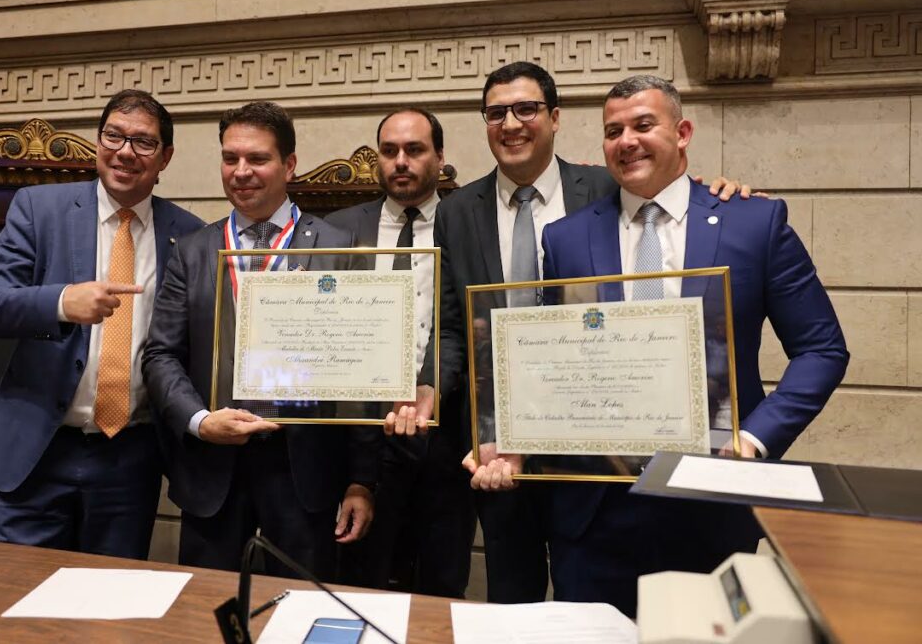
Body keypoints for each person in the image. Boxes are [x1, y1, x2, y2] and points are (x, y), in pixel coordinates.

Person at [476, 74, 848, 615]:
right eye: (613, 130)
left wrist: (753, 440)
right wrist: (510, 437)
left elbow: (822, 349)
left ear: (683, 132)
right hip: (593, 514)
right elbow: (552, 363)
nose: (626, 140)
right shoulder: (567, 238)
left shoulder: (754, 223)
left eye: (643, 125)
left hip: (710, 501)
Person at [389, 61, 752, 603]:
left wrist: (724, 190)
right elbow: (452, 326)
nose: (510, 123)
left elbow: (676, 198)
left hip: (596, 437)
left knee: (604, 587)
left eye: (526, 109)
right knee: (513, 589)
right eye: (495, 113)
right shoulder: (458, 210)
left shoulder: (609, 183)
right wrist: (429, 387)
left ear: (554, 118)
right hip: (497, 438)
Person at [142, 101, 379, 578]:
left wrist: (361, 481)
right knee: (206, 612)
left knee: (296, 615)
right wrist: (200, 420)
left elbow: (363, 372)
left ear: (289, 165)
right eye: (230, 159)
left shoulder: (341, 249)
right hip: (213, 471)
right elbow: (161, 355)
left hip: (304, 474)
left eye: (257, 159)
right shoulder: (191, 251)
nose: (241, 171)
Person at [0, 89, 204, 558]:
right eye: (113, 135)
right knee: (6, 600)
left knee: (105, 608)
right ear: (98, 141)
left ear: (165, 157)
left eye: (143, 142)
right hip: (36, 448)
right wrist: (59, 301)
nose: (124, 152)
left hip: (129, 456)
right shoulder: (39, 209)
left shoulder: (189, 234)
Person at [327, 109, 475, 598]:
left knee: (441, 588)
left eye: (414, 150)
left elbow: (463, 326)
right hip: (365, 441)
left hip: (448, 440)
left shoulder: (467, 222)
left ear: (439, 157)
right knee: (359, 585)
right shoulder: (339, 230)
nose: (401, 162)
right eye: (389, 151)